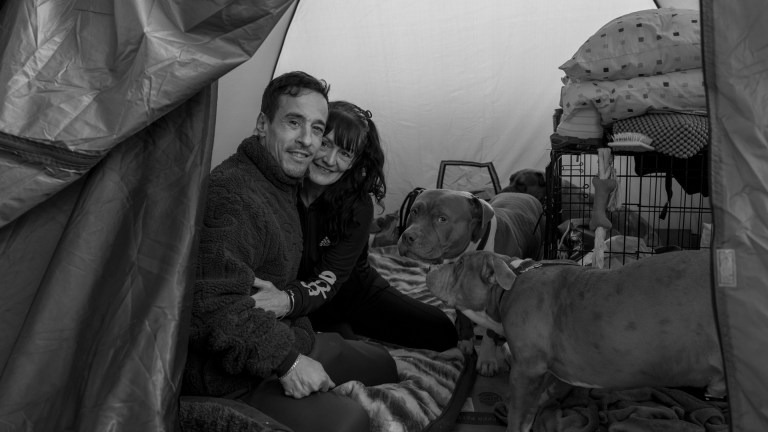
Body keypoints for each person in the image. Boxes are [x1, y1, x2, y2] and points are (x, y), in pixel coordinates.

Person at [182, 72, 398, 432]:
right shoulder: (232, 194)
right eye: (294, 123)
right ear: (263, 124)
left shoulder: (283, 182)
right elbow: (210, 304)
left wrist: (289, 309)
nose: (308, 141)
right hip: (240, 372)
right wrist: (288, 363)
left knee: (384, 365)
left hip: (291, 331)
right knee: (350, 423)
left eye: (317, 128)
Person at [253, 100, 458, 351]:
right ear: (311, 139)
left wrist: (287, 301)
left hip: (353, 295)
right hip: (304, 302)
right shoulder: (279, 186)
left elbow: (330, 278)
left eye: (345, 153)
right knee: (342, 351)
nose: (329, 159)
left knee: (443, 331)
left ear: (354, 162)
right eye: (326, 144)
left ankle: (348, 329)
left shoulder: (357, 205)